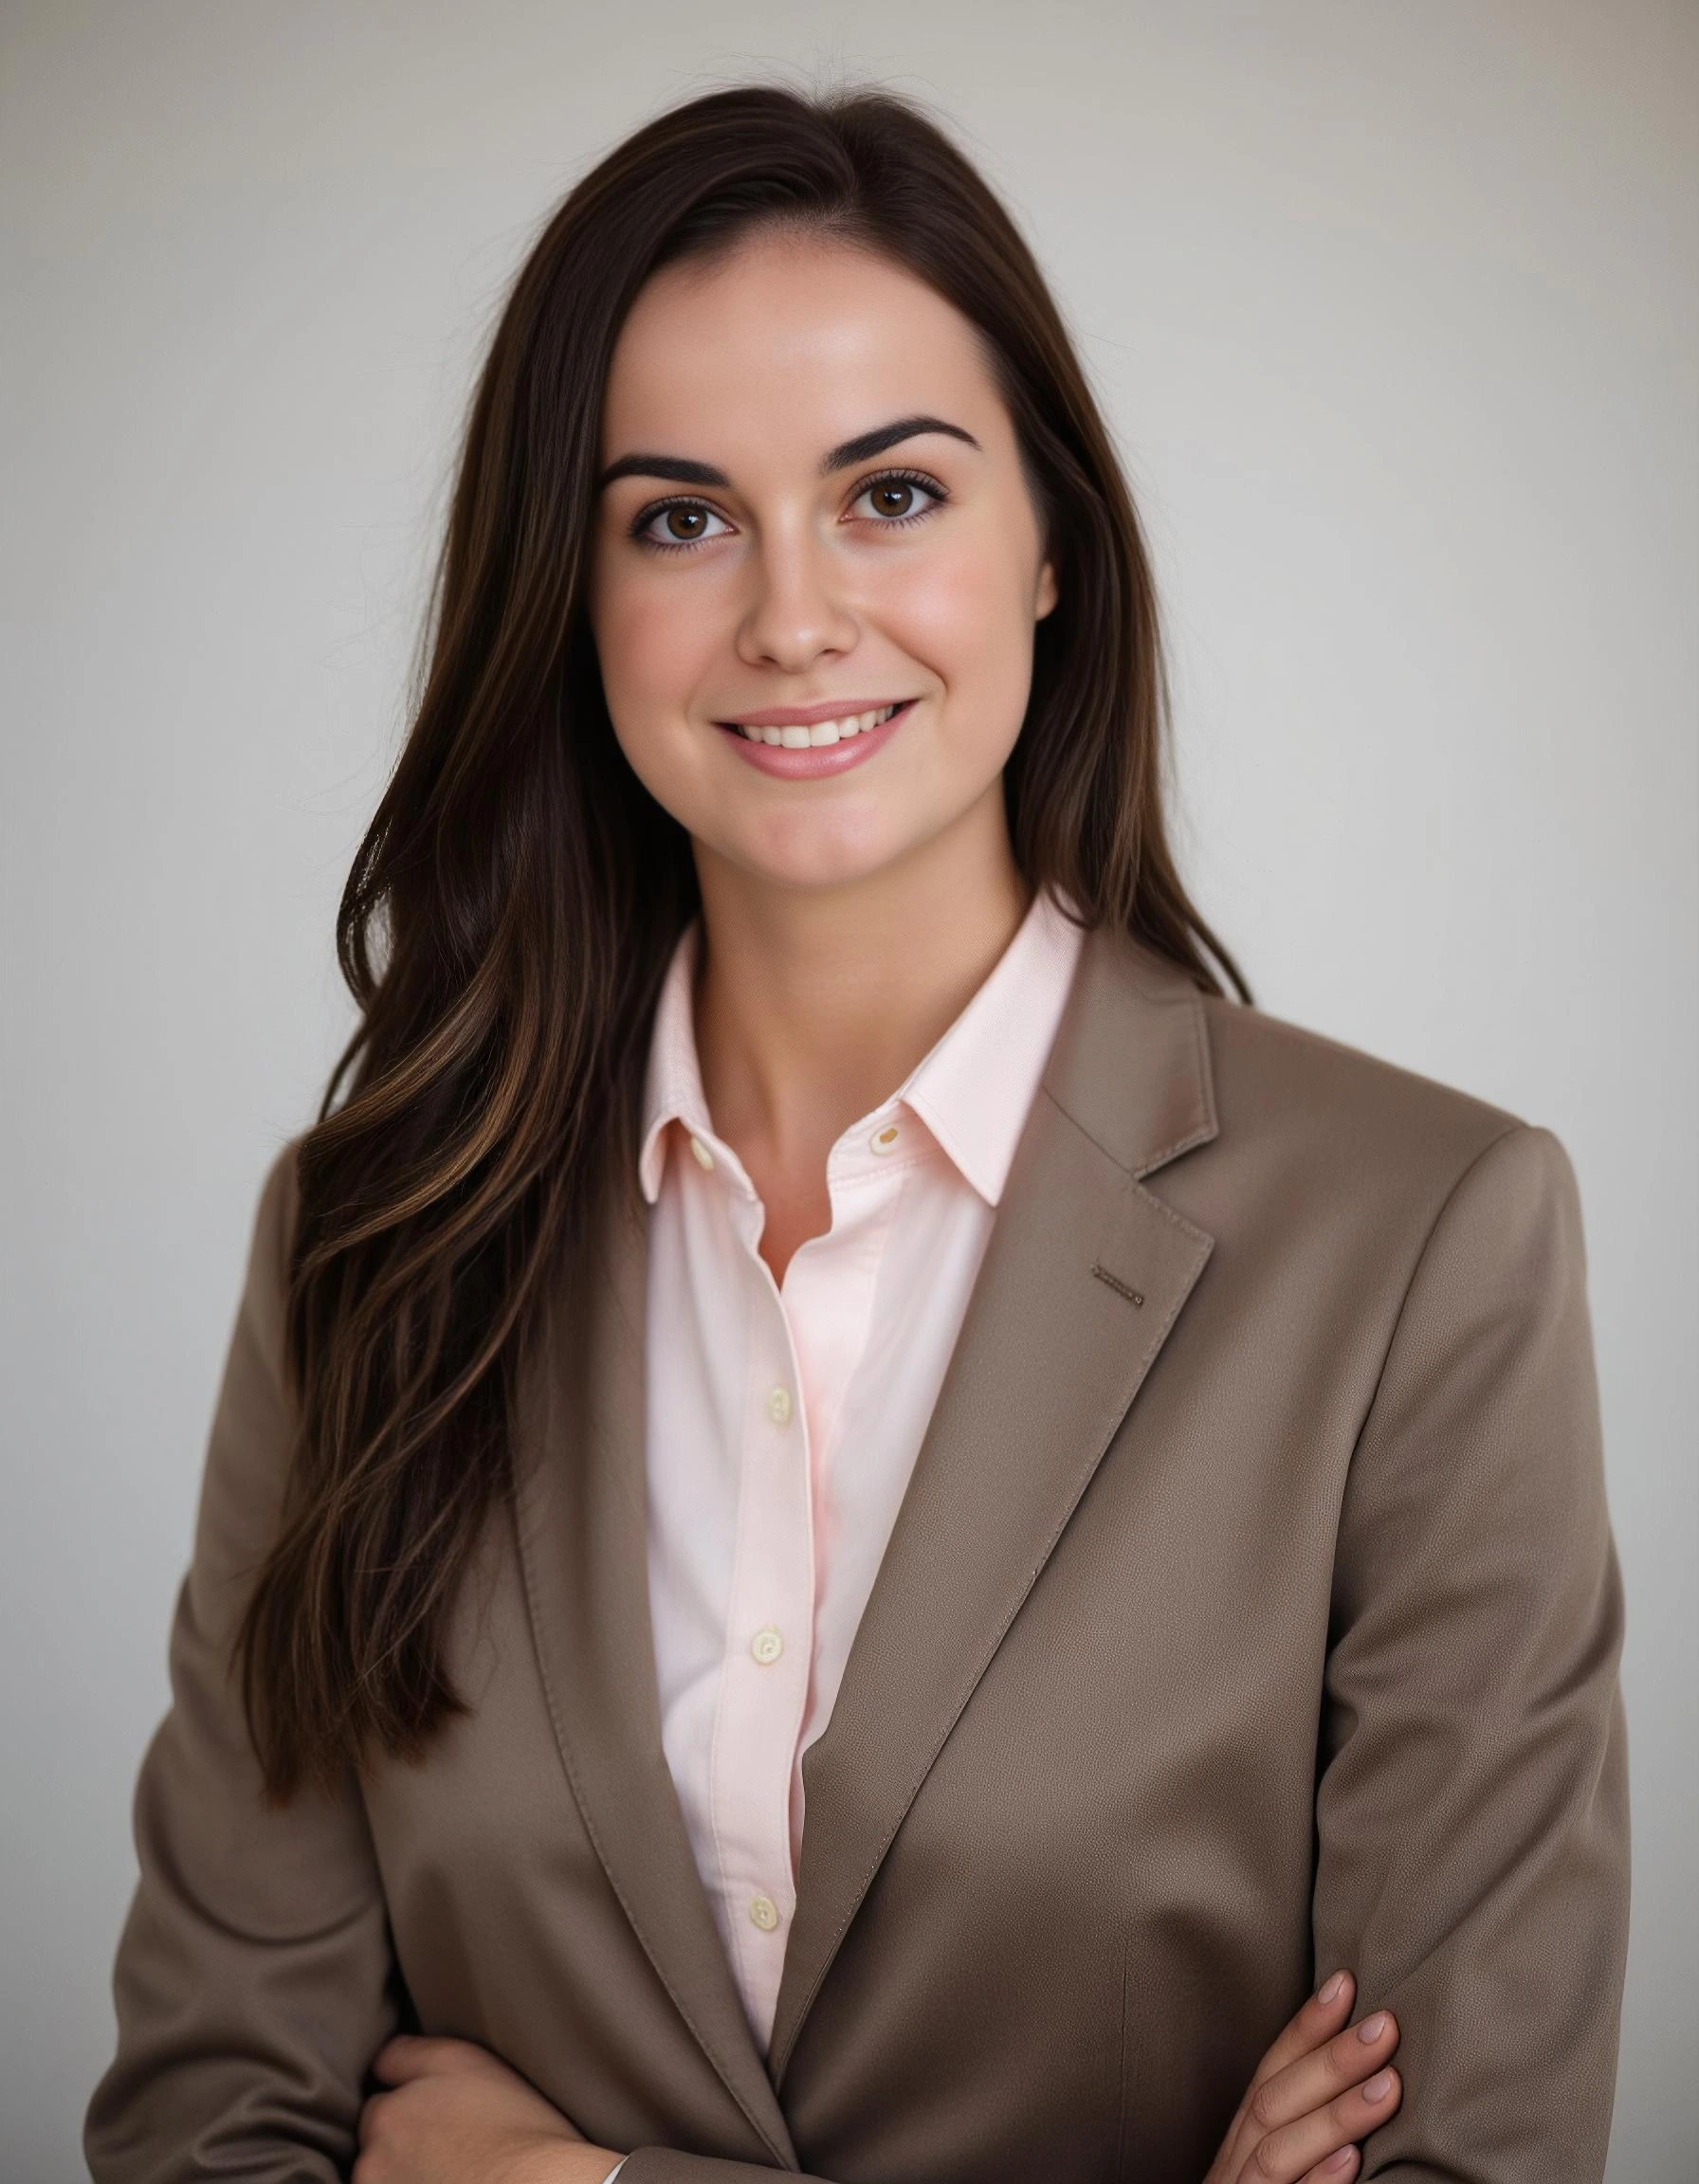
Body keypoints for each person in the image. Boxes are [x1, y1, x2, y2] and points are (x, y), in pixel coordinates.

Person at [84, 81, 1629, 2184]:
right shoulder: (370, 1244)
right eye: (679, 519)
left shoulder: (1421, 1245)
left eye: (890, 494)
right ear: (570, 592)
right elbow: (210, 2129)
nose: (792, 619)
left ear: (1052, 543)